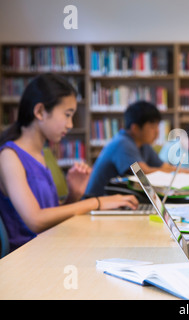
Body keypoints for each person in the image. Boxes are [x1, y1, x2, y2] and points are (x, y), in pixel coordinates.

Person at [0, 73, 138, 252]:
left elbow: (50, 217)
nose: (70, 124)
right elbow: (36, 220)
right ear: (40, 111)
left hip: (51, 246)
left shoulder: (41, 154)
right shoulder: (9, 156)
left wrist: (74, 195)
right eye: (67, 115)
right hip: (28, 258)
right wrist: (97, 202)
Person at [85, 100, 189, 196]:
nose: (157, 133)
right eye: (152, 127)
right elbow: (144, 172)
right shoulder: (122, 143)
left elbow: (165, 167)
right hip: (97, 203)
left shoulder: (143, 145)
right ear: (135, 128)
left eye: (157, 127)